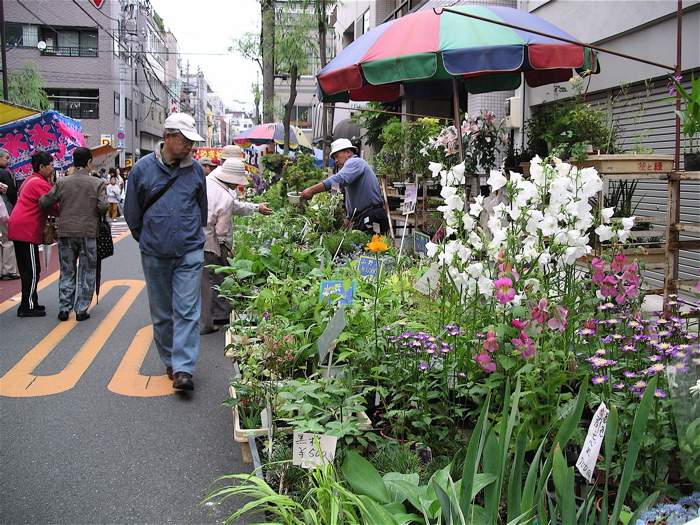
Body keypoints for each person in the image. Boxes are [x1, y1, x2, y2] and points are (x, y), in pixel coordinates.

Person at [124, 113, 207, 391]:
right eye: (184, 141)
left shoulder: (195, 170)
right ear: (168, 137)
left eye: (191, 143)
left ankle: (184, 368)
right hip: (155, 251)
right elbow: (132, 214)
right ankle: (170, 359)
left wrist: (192, 235)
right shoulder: (142, 169)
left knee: (187, 311)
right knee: (161, 312)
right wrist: (148, 238)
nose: (189, 148)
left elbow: (201, 209)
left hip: (189, 250)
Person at [200, 158, 272, 335]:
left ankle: (220, 315)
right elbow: (221, 230)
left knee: (209, 279)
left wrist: (255, 208)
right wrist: (226, 247)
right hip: (209, 242)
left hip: (193, 237)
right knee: (208, 282)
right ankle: (206, 324)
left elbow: (234, 207)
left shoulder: (208, 183)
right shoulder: (225, 196)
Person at [39, 147, 108, 322]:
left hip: (66, 231)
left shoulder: (63, 182)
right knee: (87, 270)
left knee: (67, 270)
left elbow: (45, 201)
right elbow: (103, 207)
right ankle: (81, 309)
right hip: (88, 231)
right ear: (89, 162)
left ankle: (64, 308)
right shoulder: (97, 183)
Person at [8, 150, 61, 317]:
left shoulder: (30, 180)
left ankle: (31, 301)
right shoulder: (39, 183)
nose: (53, 168)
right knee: (31, 270)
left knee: (29, 268)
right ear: (41, 167)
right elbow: (54, 205)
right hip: (26, 229)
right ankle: (27, 306)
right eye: (51, 165)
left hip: (19, 227)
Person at [300, 138, 389, 234]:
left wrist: (312, 190)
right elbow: (338, 185)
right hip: (365, 216)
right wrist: (348, 218)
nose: (336, 161)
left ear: (348, 152)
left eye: (337, 156)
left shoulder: (355, 162)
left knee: (374, 247)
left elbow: (338, 180)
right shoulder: (351, 169)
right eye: (334, 158)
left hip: (371, 216)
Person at [0, 147, 20, 279]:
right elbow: (12, 193)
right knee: (8, 239)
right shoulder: (5, 173)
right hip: (3, 209)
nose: (8, 160)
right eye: (6, 158)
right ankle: (8, 269)